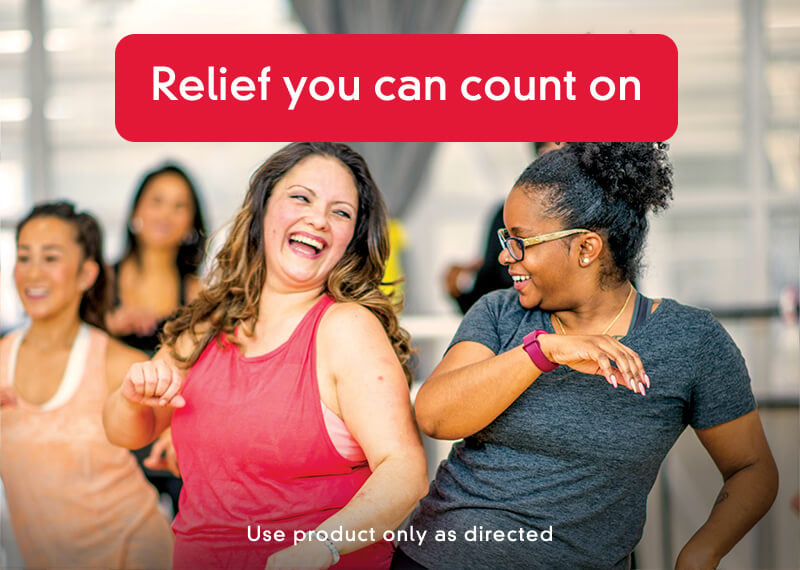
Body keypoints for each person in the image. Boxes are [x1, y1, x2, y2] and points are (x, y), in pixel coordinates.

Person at [394, 142, 778, 569]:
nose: (505, 257)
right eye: (506, 239)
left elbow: (751, 468)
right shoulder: (501, 313)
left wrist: (702, 551)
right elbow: (435, 416)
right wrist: (542, 352)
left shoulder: (690, 341)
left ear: (586, 249)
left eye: (520, 241)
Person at [103, 142, 429, 569]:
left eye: (341, 212)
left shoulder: (346, 327)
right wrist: (132, 396)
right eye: (301, 197)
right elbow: (127, 432)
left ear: (351, 238)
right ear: (262, 208)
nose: (318, 219)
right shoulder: (209, 321)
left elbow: (405, 472)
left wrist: (321, 547)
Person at [0, 201, 173, 569]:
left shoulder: (119, 363)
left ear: (86, 274)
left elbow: (194, 425)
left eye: (50, 258)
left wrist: (177, 438)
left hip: (138, 553)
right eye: (24, 257)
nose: (33, 273)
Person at [108, 162, 208, 514]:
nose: (166, 213)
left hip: (174, 435)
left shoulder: (199, 293)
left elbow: (207, 375)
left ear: (191, 223)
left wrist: (177, 433)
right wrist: (106, 325)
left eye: (179, 206)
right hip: (112, 434)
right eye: (158, 201)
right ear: (137, 210)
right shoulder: (100, 284)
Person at [443, 142, 563, 313]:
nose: (505, 257)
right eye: (546, 154)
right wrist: (457, 291)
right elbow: (486, 292)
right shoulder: (507, 213)